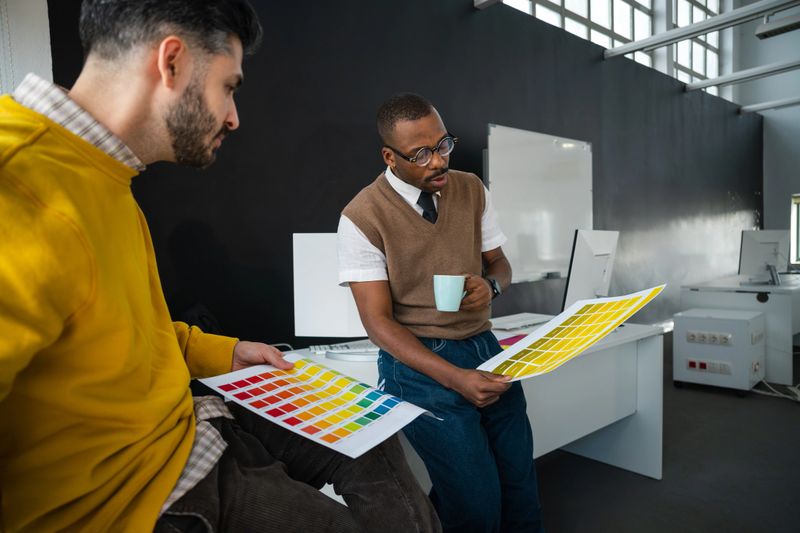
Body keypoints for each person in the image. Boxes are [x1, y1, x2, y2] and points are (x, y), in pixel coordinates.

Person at [0, 2, 439, 531]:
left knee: (372, 435)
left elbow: (125, 335)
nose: (234, 117)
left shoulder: (105, 177)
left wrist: (224, 351)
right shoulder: (19, 188)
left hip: (187, 421)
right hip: (139, 498)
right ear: (171, 62)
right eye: (228, 87)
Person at [338, 93, 544, 532]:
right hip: (417, 366)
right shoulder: (361, 216)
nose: (439, 162)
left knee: (520, 481)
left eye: (444, 144)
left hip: (485, 348)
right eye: (422, 153)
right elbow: (377, 323)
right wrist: (456, 379)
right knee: (475, 500)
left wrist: (490, 288)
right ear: (389, 157)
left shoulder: (470, 188)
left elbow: (501, 266)